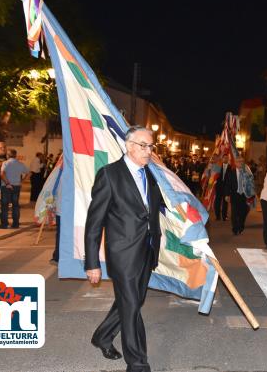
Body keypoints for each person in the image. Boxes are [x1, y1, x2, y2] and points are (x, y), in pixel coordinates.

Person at [84, 126, 164, 372]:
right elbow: (94, 222)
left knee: (131, 302)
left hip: (147, 250)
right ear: (129, 146)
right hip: (122, 253)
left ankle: (102, 337)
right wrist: (92, 263)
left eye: (151, 146)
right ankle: (138, 363)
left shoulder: (149, 174)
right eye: (144, 146)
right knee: (131, 306)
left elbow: (154, 207)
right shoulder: (109, 174)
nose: (149, 151)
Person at [0, 149, 29, 229]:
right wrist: (22, 181)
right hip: (16, 186)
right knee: (15, 205)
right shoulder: (20, 164)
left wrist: (7, 183)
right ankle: (16, 224)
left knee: (5, 206)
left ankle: (4, 224)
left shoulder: (5, 163)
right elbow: (29, 173)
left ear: (8, 155)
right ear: (15, 155)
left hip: (6, 186)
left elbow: (2, 173)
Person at [224, 156, 254, 235]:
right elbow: (227, 184)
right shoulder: (231, 172)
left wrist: (251, 195)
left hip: (244, 196)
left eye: (241, 161)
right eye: (238, 161)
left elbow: (251, 184)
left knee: (244, 211)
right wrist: (227, 195)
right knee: (234, 213)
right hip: (235, 195)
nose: (240, 163)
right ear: (235, 163)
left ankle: (241, 225)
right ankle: (235, 228)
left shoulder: (247, 173)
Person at [214, 153, 229, 221]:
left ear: (228, 159)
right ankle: (217, 216)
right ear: (222, 159)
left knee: (225, 202)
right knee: (217, 201)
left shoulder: (230, 167)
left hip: (226, 187)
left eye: (227, 158)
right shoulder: (218, 166)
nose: (225, 159)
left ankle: (224, 216)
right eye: (224, 158)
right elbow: (213, 176)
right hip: (219, 186)